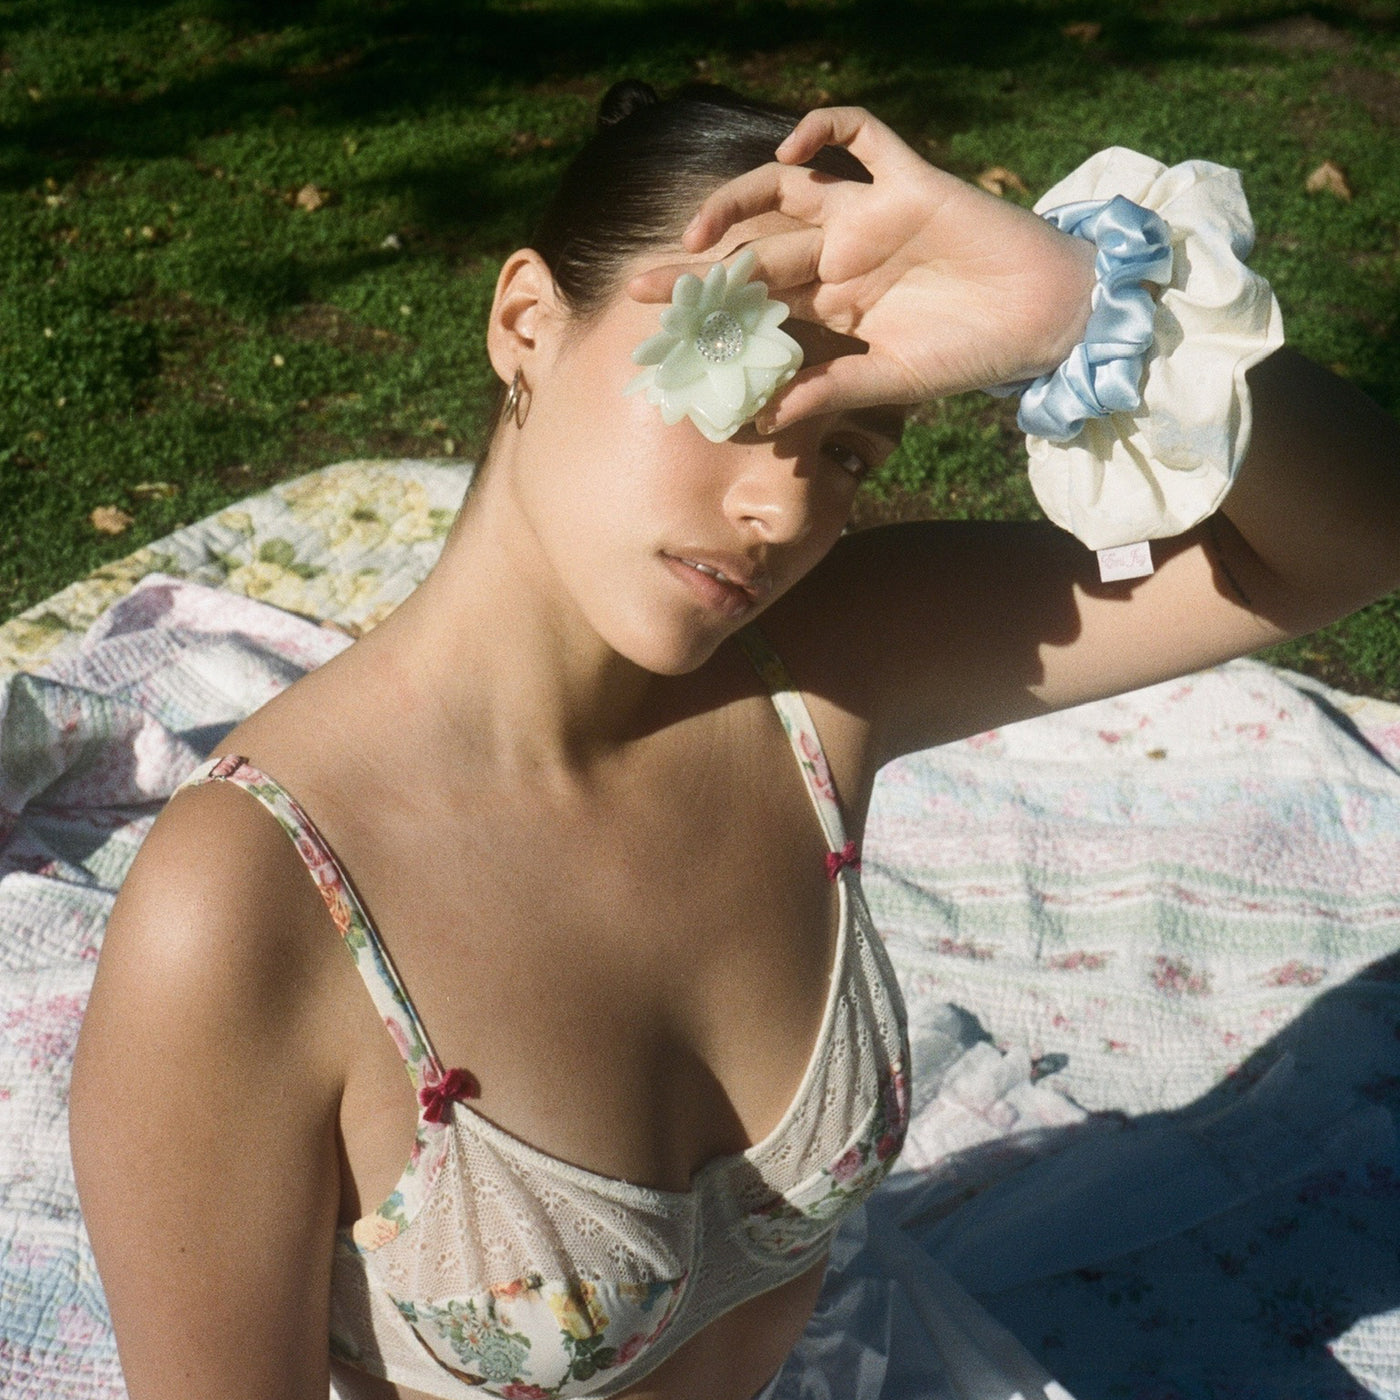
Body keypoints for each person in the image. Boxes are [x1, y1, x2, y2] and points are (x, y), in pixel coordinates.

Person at [67, 78, 1400, 1400]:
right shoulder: (247, 906)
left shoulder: (819, 669)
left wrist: (1074, 308)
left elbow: (1344, 543)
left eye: (852, 451)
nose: (780, 505)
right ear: (528, 322)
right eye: (738, 389)